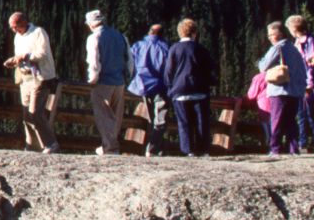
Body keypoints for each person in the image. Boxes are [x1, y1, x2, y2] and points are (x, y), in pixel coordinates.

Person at [2, 11, 60, 153]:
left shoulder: (38, 32)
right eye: (12, 27)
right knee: (26, 114)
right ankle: (32, 146)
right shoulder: (18, 37)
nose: (13, 30)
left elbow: (42, 53)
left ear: (23, 22)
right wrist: (14, 60)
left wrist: (25, 56)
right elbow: (19, 56)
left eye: (15, 26)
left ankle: (51, 143)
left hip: (39, 77)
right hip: (24, 77)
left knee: (35, 112)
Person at [162, 18, 217, 157]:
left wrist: (170, 87)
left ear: (180, 32)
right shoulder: (200, 49)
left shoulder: (174, 48)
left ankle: (188, 150)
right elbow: (210, 68)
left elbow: (168, 71)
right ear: (194, 32)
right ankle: (203, 149)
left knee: (184, 123)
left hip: (180, 91)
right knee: (201, 121)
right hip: (199, 90)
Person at [85, 10, 131, 155]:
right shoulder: (121, 36)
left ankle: (110, 148)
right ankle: (110, 146)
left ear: (91, 24)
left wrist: (92, 79)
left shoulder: (94, 37)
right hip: (119, 82)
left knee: (103, 115)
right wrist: (127, 77)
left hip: (103, 81)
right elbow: (129, 60)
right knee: (115, 116)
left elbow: (94, 61)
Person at [257, 21, 306, 155]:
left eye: (271, 34)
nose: (270, 38)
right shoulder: (294, 48)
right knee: (291, 121)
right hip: (295, 91)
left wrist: (260, 61)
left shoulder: (278, 48)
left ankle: (275, 149)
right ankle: (294, 149)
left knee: (276, 121)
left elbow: (263, 66)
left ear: (279, 34)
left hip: (279, 90)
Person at [128, 24, 171, 156]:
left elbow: (129, 64)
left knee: (151, 119)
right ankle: (153, 148)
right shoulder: (166, 47)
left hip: (141, 86)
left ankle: (158, 149)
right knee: (160, 119)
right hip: (160, 87)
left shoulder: (137, 46)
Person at [286, 14, 314, 153]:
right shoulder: (299, 41)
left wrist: (309, 84)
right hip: (300, 84)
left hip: (308, 85)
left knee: (311, 115)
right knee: (302, 114)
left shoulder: (309, 41)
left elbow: (313, 64)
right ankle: (303, 144)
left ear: (294, 28)